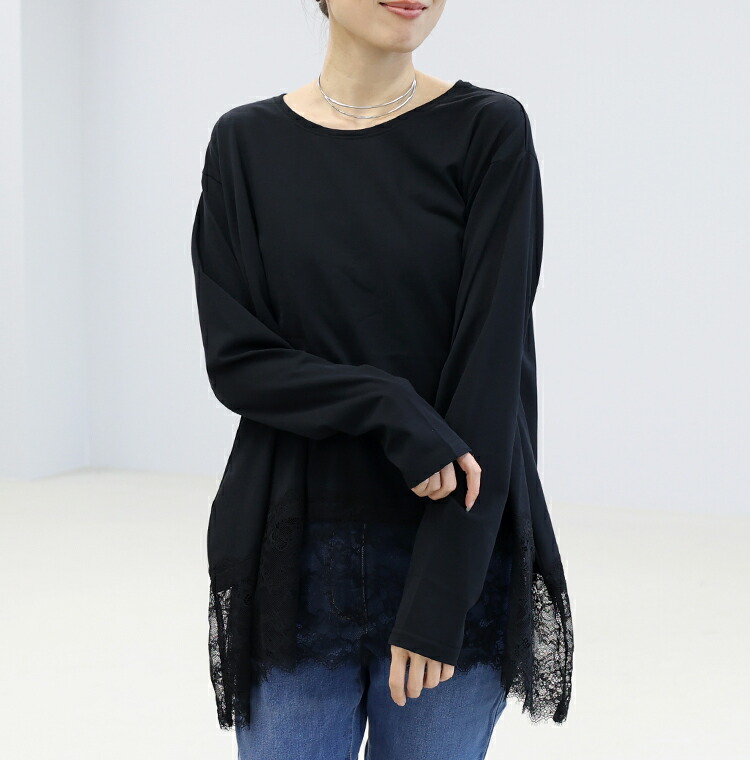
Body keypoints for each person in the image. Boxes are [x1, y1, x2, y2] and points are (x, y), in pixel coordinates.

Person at [190, 1, 574, 757]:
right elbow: (238, 360)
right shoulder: (245, 144)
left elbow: (493, 377)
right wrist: (387, 404)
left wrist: (440, 597)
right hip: (296, 558)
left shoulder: (488, 131)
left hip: (449, 548)